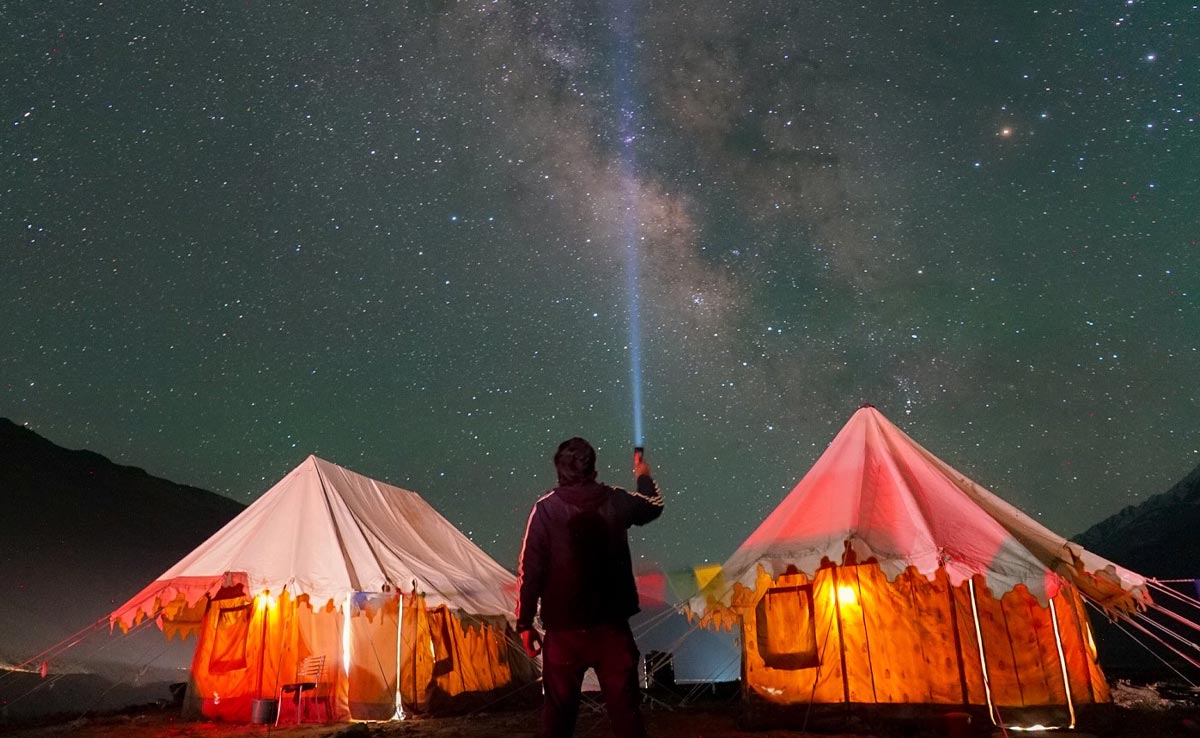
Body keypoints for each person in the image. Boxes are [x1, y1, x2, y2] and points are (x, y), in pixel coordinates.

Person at [516, 437, 664, 738]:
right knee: (626, 716)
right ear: (593, 466)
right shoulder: (615, 499)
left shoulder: (545, 510)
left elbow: (530, 571)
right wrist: (643, 474)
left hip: (563, 633)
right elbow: (654, 507)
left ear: (559, 468)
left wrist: (524, 622)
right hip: (612, 631)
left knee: (558, 718)